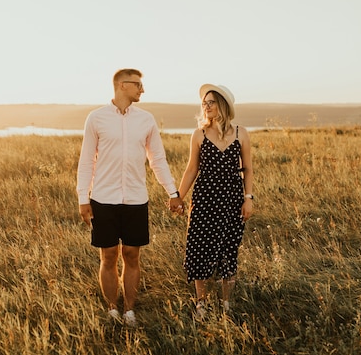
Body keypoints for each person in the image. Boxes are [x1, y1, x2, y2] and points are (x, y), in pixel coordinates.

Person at [76, 68, 183, 327]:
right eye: (138, 85)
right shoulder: (96, 118)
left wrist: (173, 192)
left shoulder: (146, 120)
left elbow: (157, 159)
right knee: (108, 255)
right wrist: (83, 197)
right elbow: (87, 159)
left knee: (132, 255)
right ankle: (113, 308)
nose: (142, 90)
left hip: (136, 198)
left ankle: (130, 310)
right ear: (122, 85)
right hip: (103, 198)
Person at [176, 84, 254, 319]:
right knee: (199, 248)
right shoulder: (198, 134)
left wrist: (248, 198)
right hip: (204, 200)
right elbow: (192, 169)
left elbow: (248, 169)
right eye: (204, 103)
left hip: (232, 200)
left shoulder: (241, 133)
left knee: (228, 249)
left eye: (211, 102)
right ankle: (201, 304)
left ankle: (226, 304)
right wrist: (178, 196)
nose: (206, 106)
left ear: (223, 105)